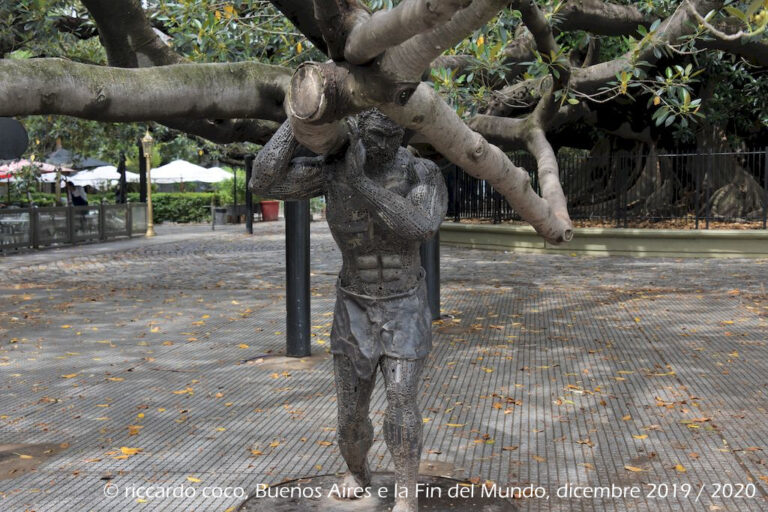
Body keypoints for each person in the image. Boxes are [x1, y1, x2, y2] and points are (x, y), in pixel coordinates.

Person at [251, 109, 448, 512]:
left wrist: (362, 183)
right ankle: (358, 471)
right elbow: (262, 181)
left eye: (394, 135)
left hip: (405, 300)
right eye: (376, 135)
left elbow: (419, 226)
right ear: (357, 127)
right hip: (354, 302)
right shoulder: (332, 170)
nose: (384, 145)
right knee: (350, 420)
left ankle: (407, 493)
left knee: (401, 397)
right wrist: (300, 115)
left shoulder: (421, 172)